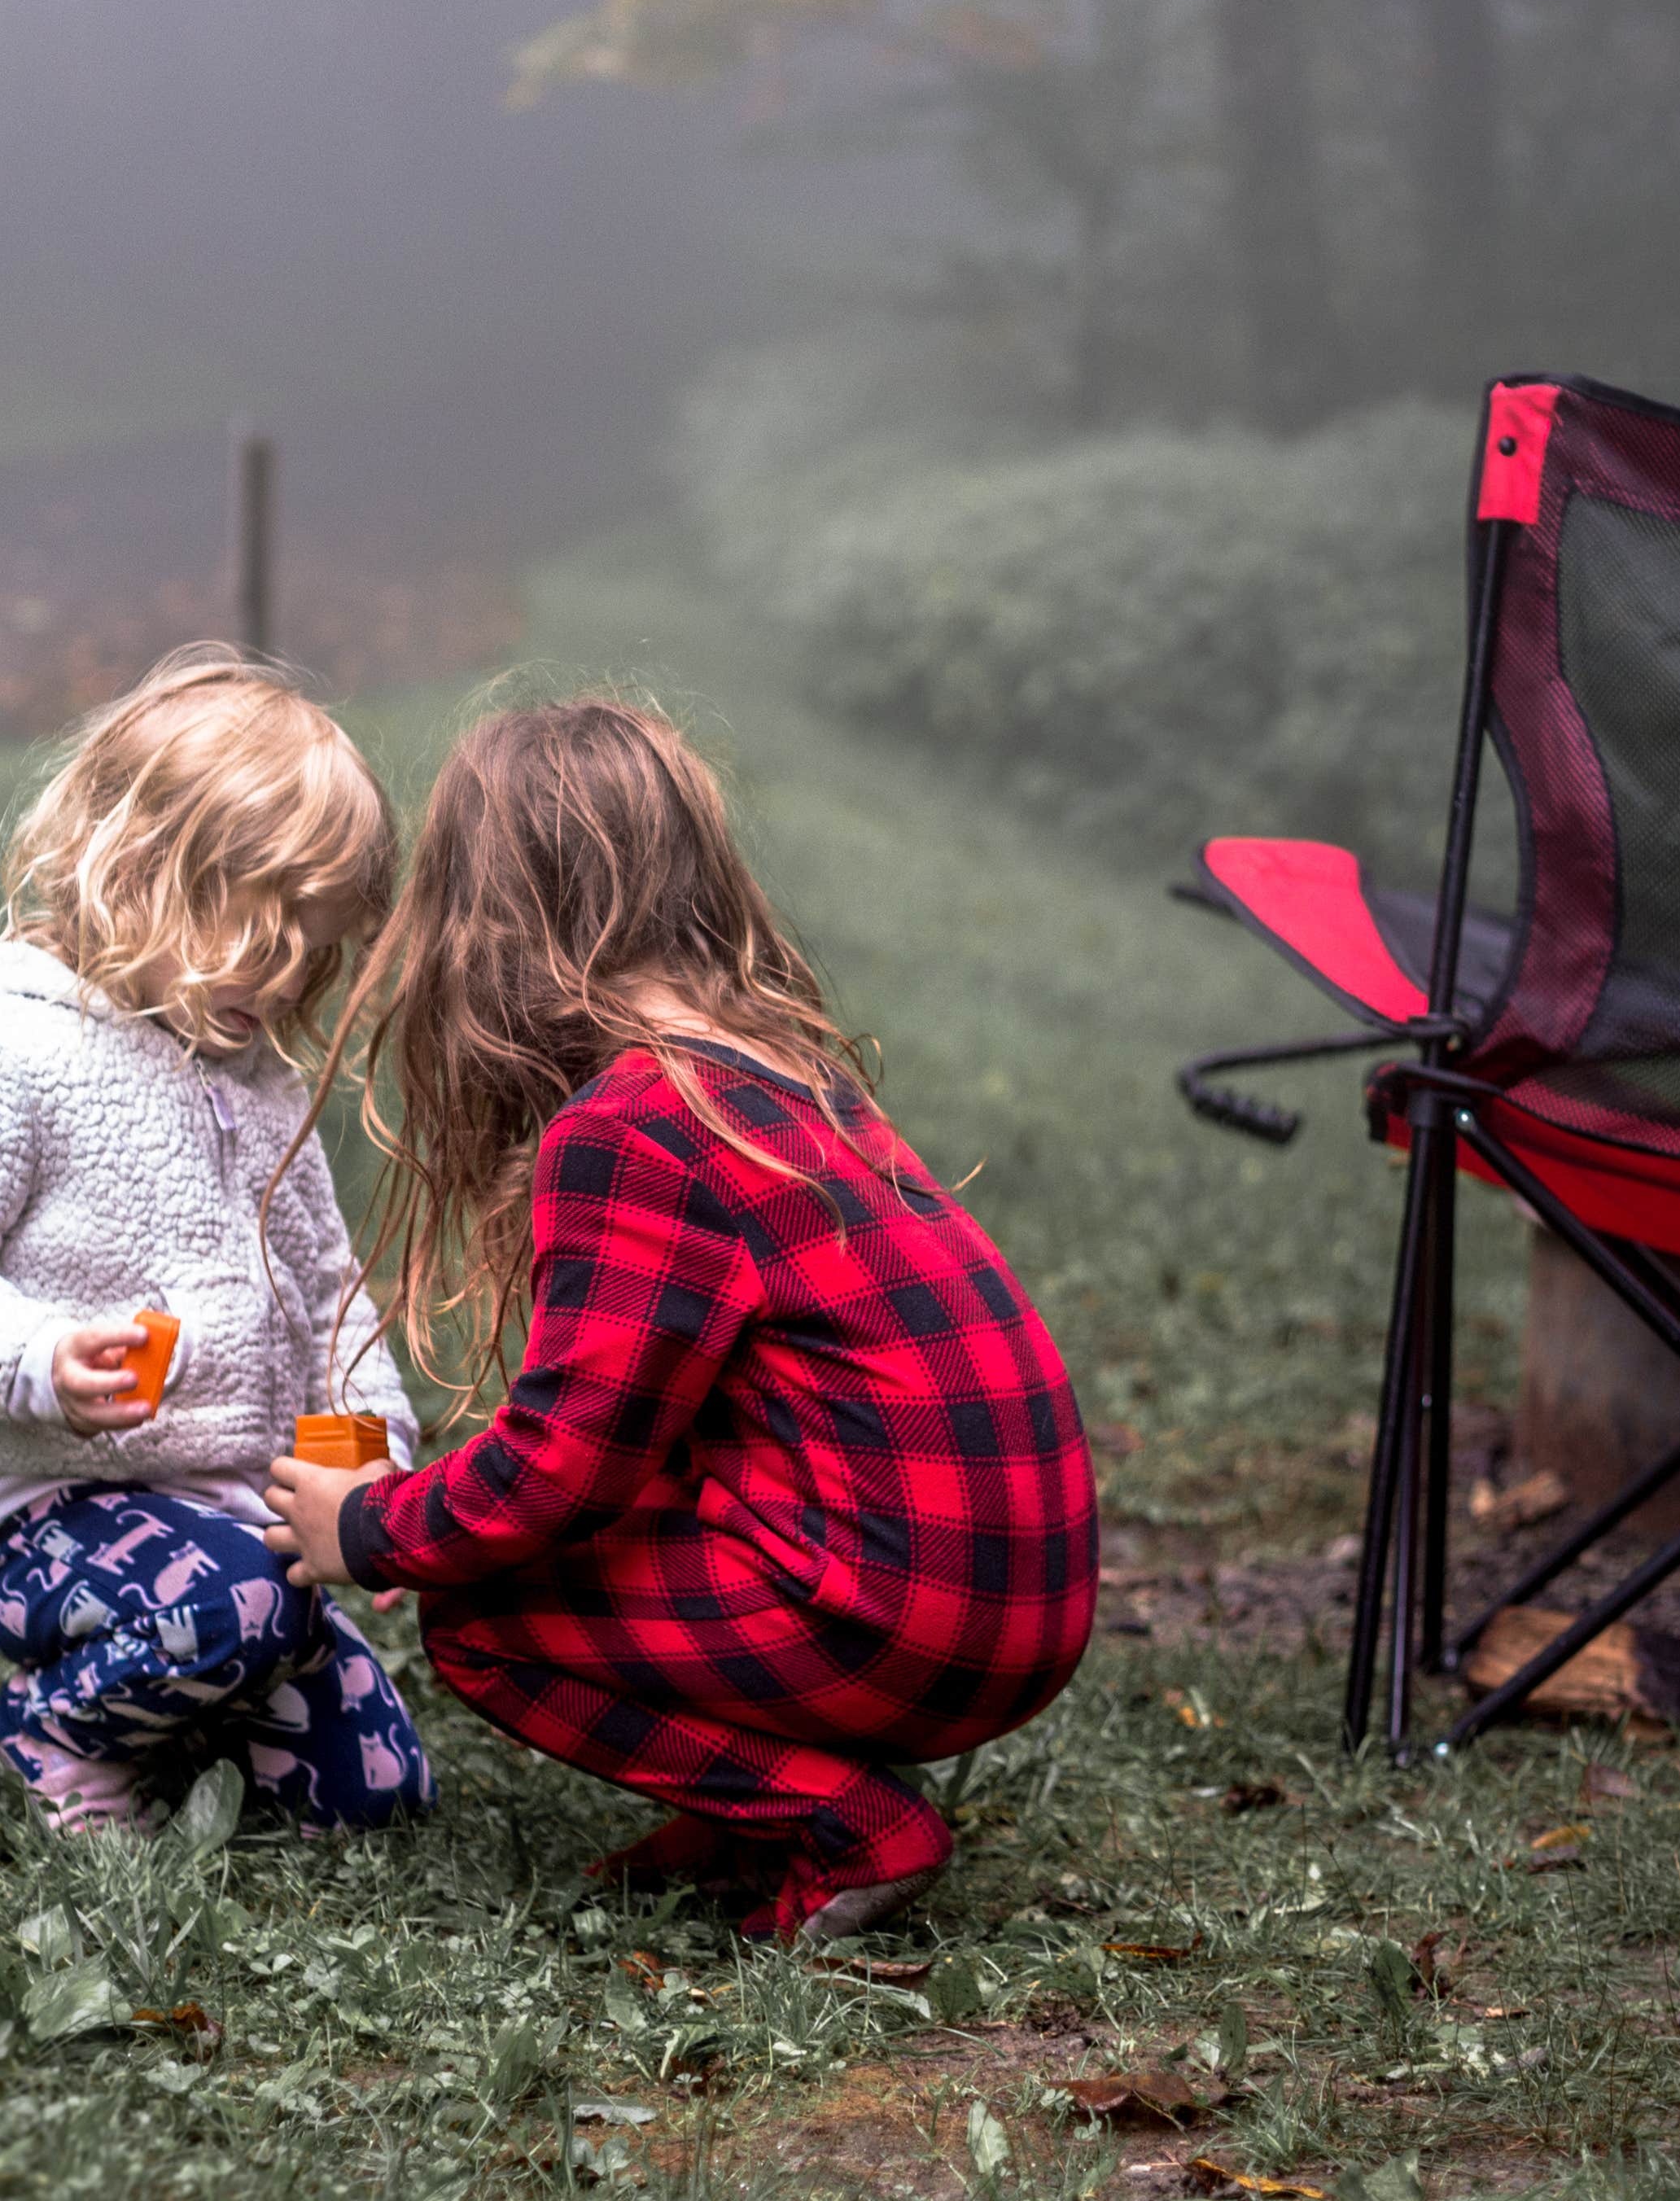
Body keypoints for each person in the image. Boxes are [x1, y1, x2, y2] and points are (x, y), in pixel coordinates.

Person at [264, 698, 1092, 1941]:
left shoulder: (637, 1127)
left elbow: (561, 1471)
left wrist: (371, 1527)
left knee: (483, 1619)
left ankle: (849, 1823)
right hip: (1021, 1601)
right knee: (624, 1528)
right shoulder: (774, 1068)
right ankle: (744, 1812)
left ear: (489, 921)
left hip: (910, 1616)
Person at [0, 647, 431, 1838]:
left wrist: (359, 1455)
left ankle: (184, 1727)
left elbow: (330, 1299)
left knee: (374, 1790)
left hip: (229, 1524)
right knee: (245, 1602)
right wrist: (40, 1358)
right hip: (49, 1511)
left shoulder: (265, 1084)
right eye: (254, 922)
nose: (283, 970)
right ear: (137, 863)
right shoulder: (18, 1047)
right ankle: (52, 1722)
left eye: (313, 944)